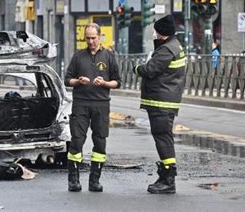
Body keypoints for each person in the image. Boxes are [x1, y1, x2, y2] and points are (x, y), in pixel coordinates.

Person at [64, 23, 121, 192]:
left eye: (93, 38)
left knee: (100, 142)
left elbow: (117, 82)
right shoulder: (78, 56)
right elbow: (67, 80)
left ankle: (94, 180)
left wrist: (104, 83)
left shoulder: (109, 56)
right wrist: (78, 81)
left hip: (101, 105)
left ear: (100, 36)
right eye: (87, 38)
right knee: (77, 141)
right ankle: (73, 180)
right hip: (81, 104)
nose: (90, 41)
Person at [133, 15, 186, 194]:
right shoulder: (173, 46)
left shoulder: (166, 50)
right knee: (163, 137)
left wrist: (137, 68)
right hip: (163, 100)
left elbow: (150, 69)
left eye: (156, 31)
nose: (154, 34)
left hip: (161, 101)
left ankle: (168, 179)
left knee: (163, 137)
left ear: (162, 33)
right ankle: (165, 176)